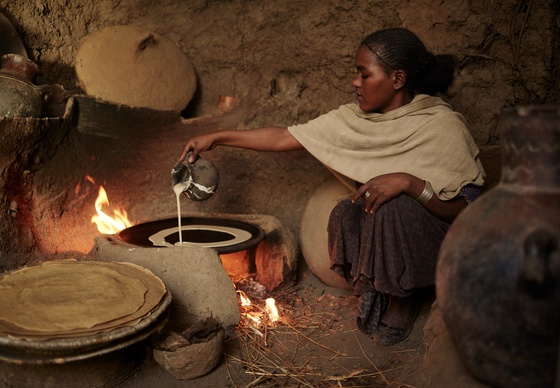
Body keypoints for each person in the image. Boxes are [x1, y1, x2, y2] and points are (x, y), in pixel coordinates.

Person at [179, 28, 485, 345]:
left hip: (445, 242)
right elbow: (285, 136)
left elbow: (469, 212)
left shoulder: (441, 125)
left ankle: (405, 301)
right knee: (346, 212)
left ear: (397, 79)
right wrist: (217, 137)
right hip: (394, 233)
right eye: (356, 73)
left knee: (392, 208)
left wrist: (411, 184)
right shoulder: (353, 120)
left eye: (364, 75)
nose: (355, 82)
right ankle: (381, 288)